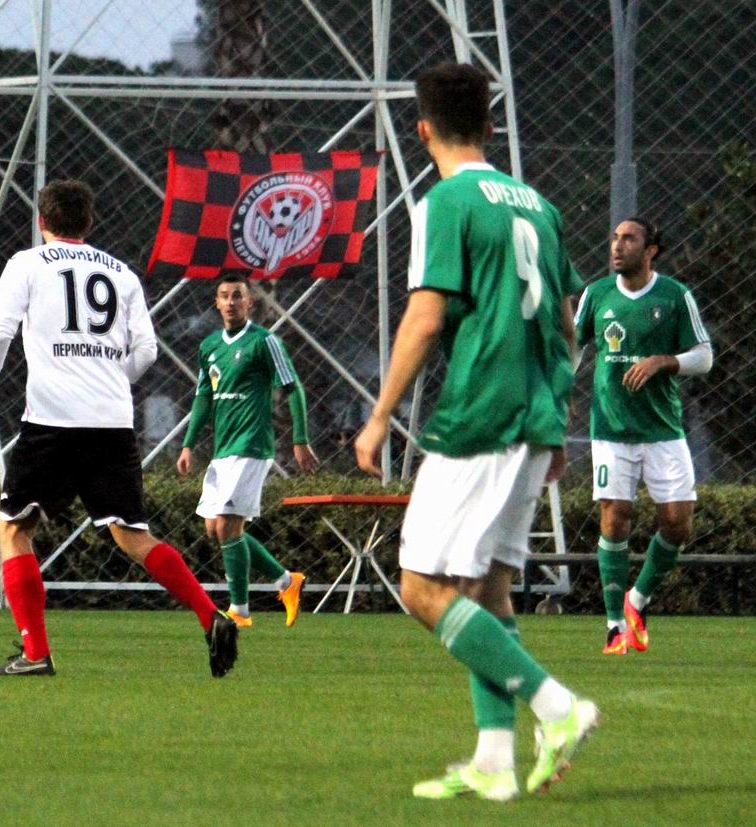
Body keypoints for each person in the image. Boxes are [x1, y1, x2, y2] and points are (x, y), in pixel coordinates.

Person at [353, 62, 597, 800]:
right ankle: (494, 762)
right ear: (490, 126)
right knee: (487, 590)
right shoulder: (538, 205)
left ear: (422, 129)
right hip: (532, 414)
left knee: (421, 588)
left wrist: (379, 416)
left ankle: (557, 706)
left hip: (480, 415)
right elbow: (567, 325)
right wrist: (554, 418)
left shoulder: (446, 201)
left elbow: (426, 316)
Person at [0, 179, 239, 678]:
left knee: (13, 529)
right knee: (131, 534)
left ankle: (35, 654)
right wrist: (108, 378)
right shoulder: (121, 273)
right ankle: (210, 614)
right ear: (89, 223)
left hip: (52, 421)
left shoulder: (26, 264)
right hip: (112, 422)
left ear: (41, 222)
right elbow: (146, 351)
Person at [574, 218, 712, 655]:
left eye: (629, 238)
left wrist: (664, 361)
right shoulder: (597, 295)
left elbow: (704, 356)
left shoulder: (674, 296)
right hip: (610, 428)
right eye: (615, 238)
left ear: (651, 250)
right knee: (615, 515)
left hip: (662, 429)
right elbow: (571, 349)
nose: (617, 245)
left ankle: (637, 599)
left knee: (678, 523)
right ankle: (614, 625)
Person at [176, 274, 317, 628]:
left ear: (249, 302)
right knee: (215, 528)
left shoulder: (265, 341)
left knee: (228, 526)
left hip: (252, 445)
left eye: (237, 295)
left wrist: (300, 438)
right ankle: (286, 581)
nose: (231, 302)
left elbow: (293, 387)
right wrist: (188, 444)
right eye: (224, 296)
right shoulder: (209, 346)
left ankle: (239, 610)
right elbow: (203, 396)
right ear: (216, 302)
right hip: (223, 449)